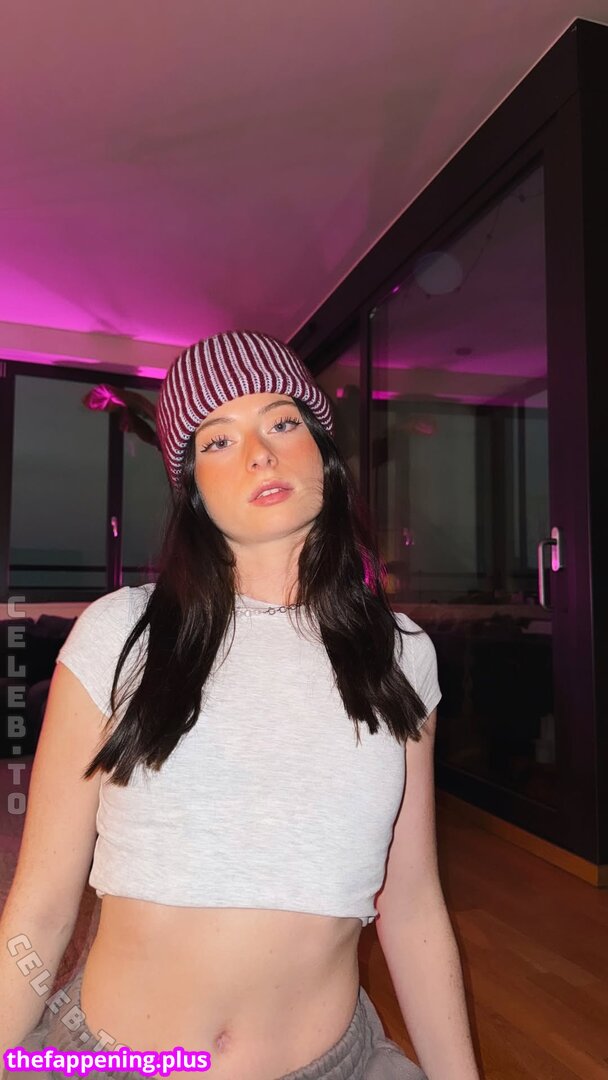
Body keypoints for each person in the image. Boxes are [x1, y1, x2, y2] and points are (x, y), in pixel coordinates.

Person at [0, 331, 481, 1080]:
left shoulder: (401, 654)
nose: (259, 453)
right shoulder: (119, 634)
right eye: (219, 439)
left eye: (282, 422)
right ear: (192, 484)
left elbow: (412, 902)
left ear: (322, 451)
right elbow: (39, 910)